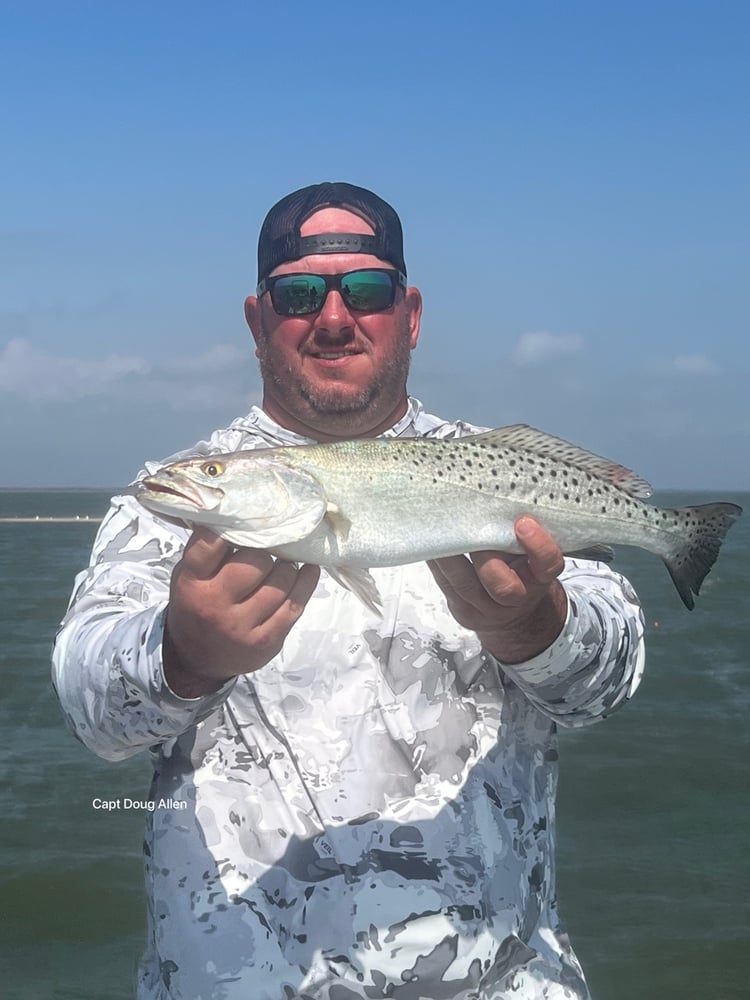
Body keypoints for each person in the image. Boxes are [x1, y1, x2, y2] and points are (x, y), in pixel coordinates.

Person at [52, 182, 645, 1000]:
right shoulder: (176, 497)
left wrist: (539, 629)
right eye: (299, 294)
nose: (334, 318)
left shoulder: (501, 473)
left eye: (366, 291)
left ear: (411, 314)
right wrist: (180, 657)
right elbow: (90, 711)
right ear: (259, 321)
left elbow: (608, 685)